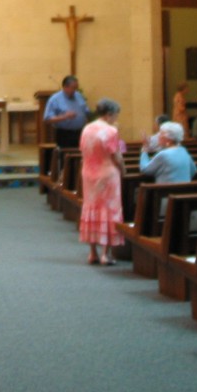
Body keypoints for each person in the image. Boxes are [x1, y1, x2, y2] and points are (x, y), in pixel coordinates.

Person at [78, 98, 125, 266]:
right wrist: (123, 169)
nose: (116, 119)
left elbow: (83, 150)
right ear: (109, 114)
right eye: (115, 115)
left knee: (91, 209)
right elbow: (116, 155)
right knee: (109, 210)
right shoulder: (110, 130)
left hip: (89, 173)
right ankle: (106, 253)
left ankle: (92, 253)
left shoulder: (87, 128)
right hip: (107, 173)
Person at [44, 75, 89, 150]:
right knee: (65, 157)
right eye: (73, 88)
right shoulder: (55, 99)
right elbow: (47, 119)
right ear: (65, 87)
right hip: (64, 134)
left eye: (76, 88)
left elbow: (85, 111)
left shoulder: (79, 96)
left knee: (78, 157)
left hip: (80, 132)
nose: (75, 90)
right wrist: (65, 116)